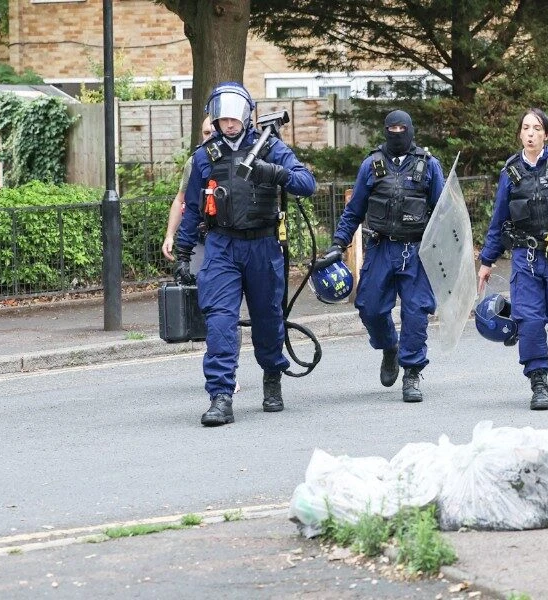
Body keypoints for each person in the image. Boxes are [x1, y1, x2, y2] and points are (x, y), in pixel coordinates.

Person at [174, 82, 317, 427]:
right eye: (222, 119)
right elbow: (192, 208)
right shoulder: (204, 157)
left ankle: (272, 375)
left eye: (233, 118)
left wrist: (274, 172)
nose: (228, 124)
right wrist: (183, 252)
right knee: (220, 322)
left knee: (268, 320)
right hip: (222, 246)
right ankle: (221, 396)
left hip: (263, 246)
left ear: (245, 116)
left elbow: (307, 184)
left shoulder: (270, 147)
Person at [322, 110, 445, 403]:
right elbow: (354, 210)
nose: (397, 133)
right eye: (392, 128)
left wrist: (447, 256)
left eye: (403, 128)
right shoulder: (371, 165)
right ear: (385, 131)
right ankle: (389, 346)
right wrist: (338, 243)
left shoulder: (429, 165)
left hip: (415, 251)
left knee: (416, 312)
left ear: (411, 130)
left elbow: (443, 212)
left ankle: (412, 372)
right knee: (370, 308)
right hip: (380, 247)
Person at [476, 108, 548, 411]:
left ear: (545, 135)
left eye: (536, 128)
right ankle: (538, 380)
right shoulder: (510, 172)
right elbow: (499, 220)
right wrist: (487, 261)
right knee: (529, 320)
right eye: (525, 127)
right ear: (520, 134)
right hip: (525, 258)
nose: (530, 133)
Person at [163, 116, 213, 266]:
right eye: (206, 133)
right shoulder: (194, 161)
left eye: (214, 132)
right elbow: (181, 200)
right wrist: (170, 235)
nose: (210, 137)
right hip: (202, 237)